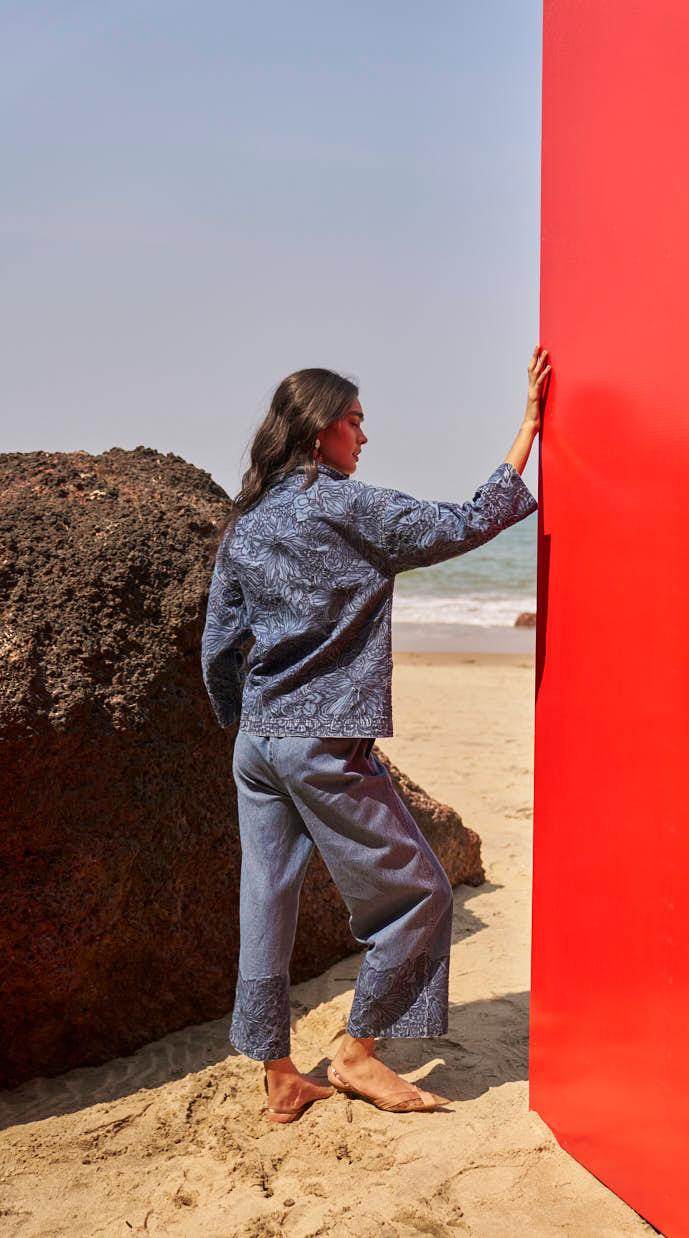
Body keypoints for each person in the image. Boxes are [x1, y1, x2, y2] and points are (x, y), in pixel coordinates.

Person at [201, 346, 551, 1123]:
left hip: (258, 744)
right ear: (318, 429)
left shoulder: (247, 524)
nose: (364, 436)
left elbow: (218, 645)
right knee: (421, 892)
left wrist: (244, 718)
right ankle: (356, 1054)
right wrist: (528, 427)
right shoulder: (349, 507)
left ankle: (279, 1073)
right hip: (321, 742)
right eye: (354, 421)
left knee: (265, 900)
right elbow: (468, 521)